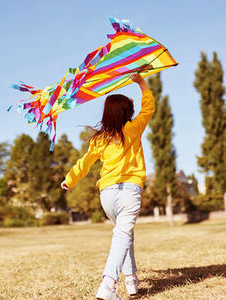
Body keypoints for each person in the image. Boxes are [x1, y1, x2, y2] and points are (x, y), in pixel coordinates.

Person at [61, 73, 154, 300]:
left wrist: (70, 179)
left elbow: (84, 163)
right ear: (127, 112)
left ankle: (131, 280)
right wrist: (141, 83)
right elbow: (148, 107)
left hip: (107, 196)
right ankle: (108, 285)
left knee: (125, 234)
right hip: (129, 192)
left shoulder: (99, 139)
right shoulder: (133, 129)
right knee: (122, 235)